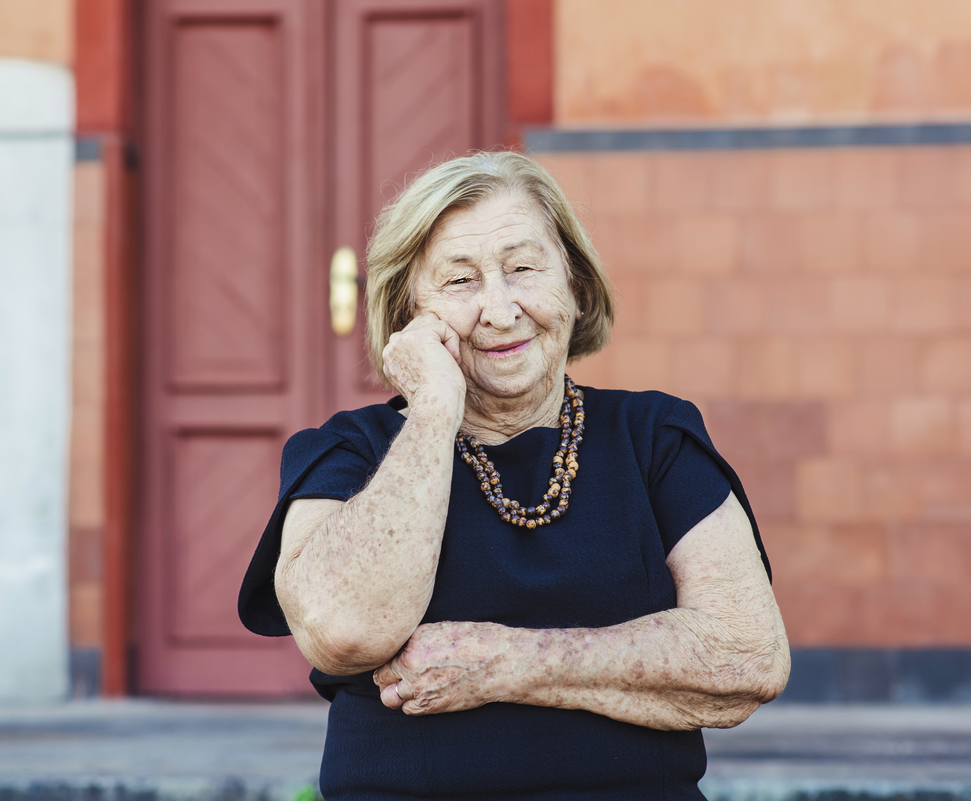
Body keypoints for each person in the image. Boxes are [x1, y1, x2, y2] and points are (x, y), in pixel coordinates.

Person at [239, 151, 790, 800]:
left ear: (575, 284)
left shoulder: (655, 438)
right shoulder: (349, 453)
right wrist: (434, 410)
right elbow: (345, 631)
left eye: (523, 268)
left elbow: (747, 656)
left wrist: (505, 664)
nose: (500, 311)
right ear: (410, 313)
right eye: (460, 281)